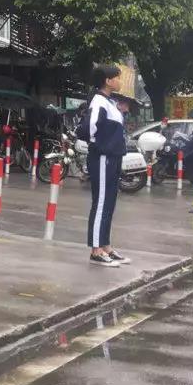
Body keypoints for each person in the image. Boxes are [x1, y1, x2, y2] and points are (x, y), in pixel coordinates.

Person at [79, 65, 135, 268]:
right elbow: (90, 128)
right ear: (108, 81)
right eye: (117, 77)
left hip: (113, 157)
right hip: (103, 158)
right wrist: (101, 146)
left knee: (110, 203)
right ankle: (96, 251)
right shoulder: (98, 101)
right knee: (101, 202)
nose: (120, 81)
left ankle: (106, 247)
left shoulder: (110, 102)